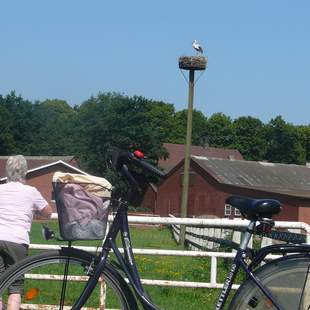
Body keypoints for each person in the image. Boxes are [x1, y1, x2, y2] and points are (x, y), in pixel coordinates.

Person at [0, 155, 52, 310]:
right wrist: (32, 212)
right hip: (17, 240)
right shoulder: (31, 191)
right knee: (15, 286)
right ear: (25, 171)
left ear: (7, 171)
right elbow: (48, 212)